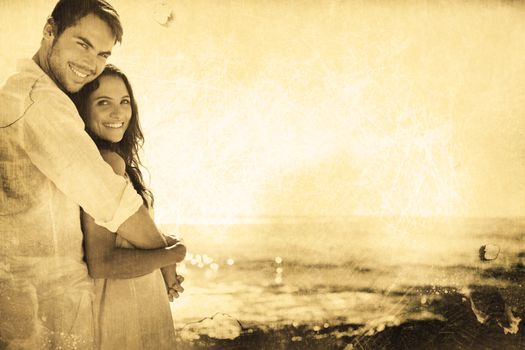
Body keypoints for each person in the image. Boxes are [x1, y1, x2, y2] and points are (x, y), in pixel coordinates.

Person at [0, 1, 185, 348]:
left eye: (102, 53)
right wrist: (169, 257)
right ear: (49, 30)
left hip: (42, 305)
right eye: (82, 44)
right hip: (43, 310)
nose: (90, 64)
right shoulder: (38, 101)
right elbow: (108, 198)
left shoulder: (33, 95)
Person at [72, 64, 183, 349]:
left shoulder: (109, 162)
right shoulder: (107, 163)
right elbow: (101, 262)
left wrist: (164, 254)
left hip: (132, 299)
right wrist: (172, 255)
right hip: (122, 309)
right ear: (83, 111)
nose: (117, 113)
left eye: (124, 102)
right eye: (103, 102)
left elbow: (129, 236)